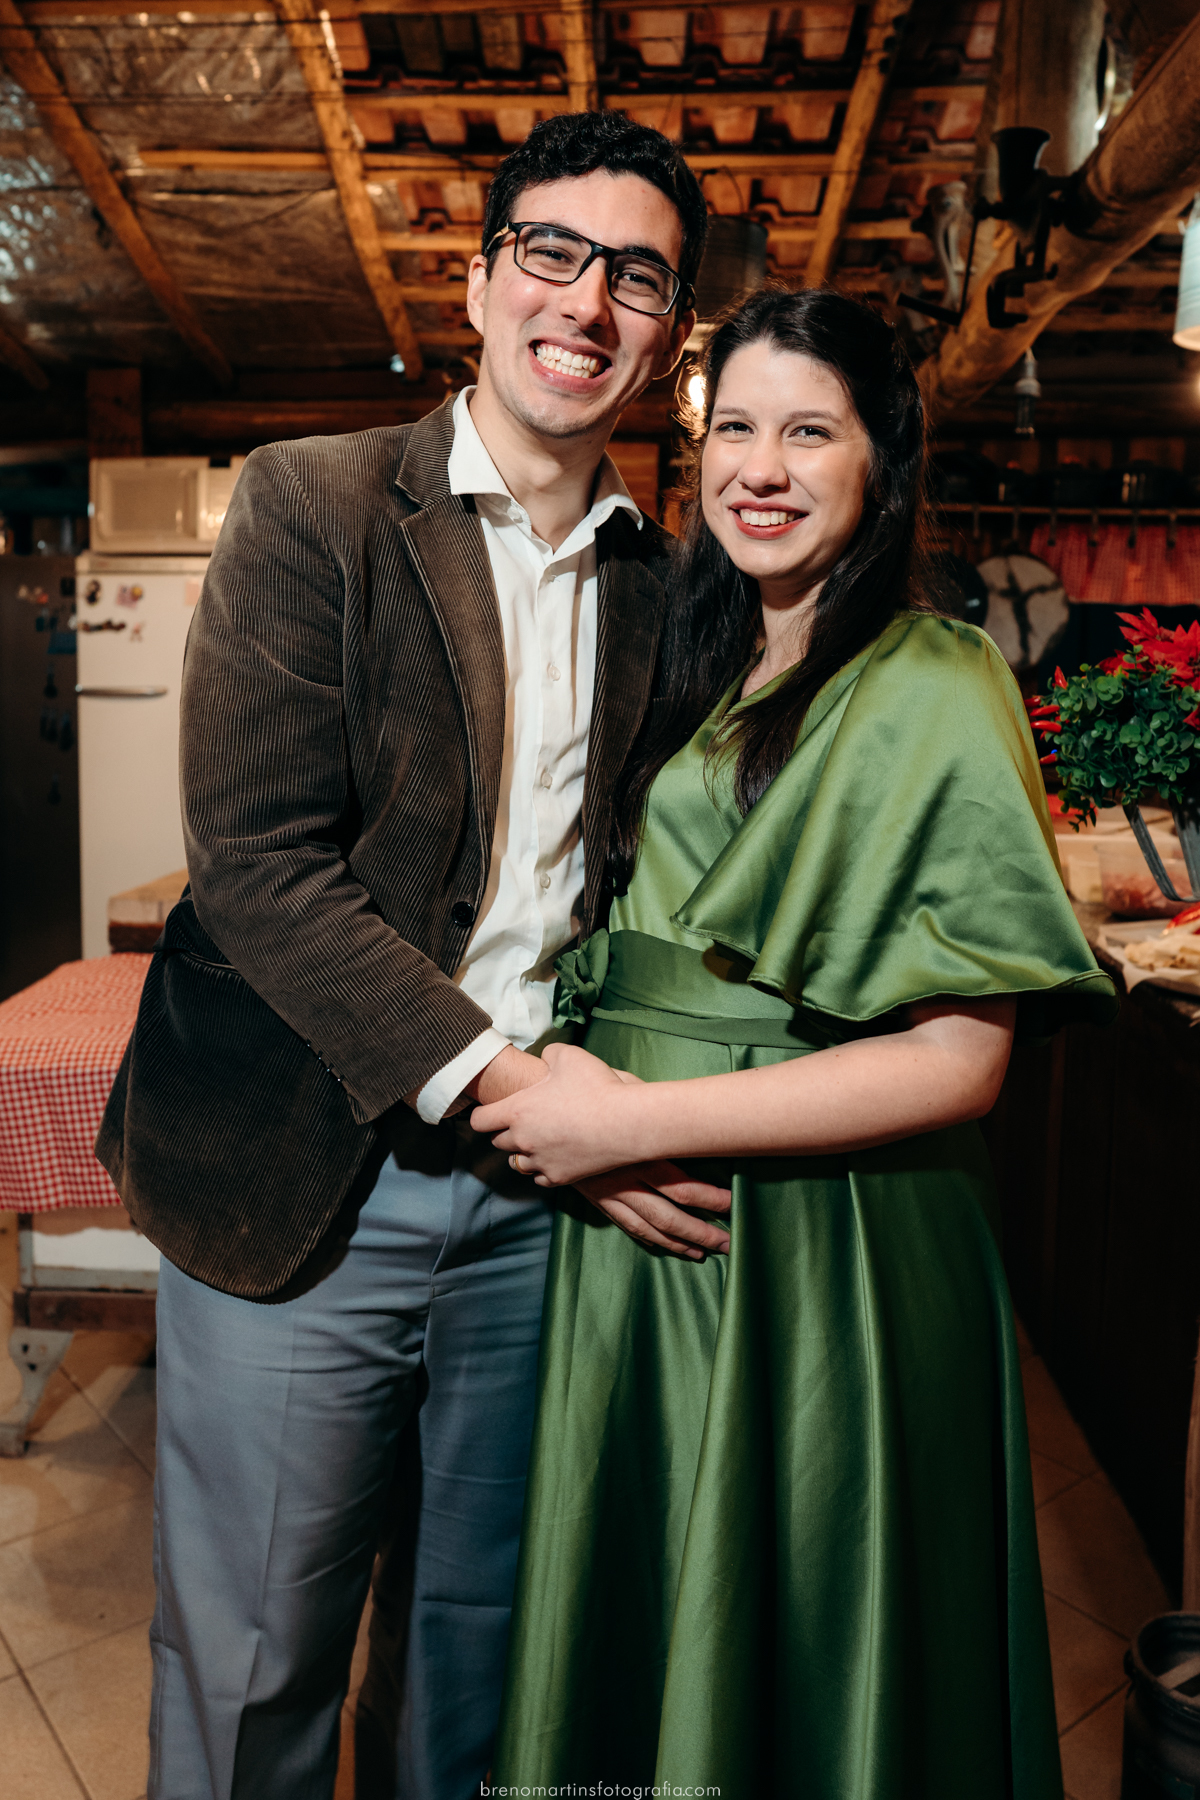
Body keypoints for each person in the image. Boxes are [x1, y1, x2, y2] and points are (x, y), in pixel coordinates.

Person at [95, 111, 726, 1800]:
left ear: (670, 335)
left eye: (639, 277)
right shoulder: (316, 505)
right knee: (255, 1668)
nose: (589, 300)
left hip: (543, 1217)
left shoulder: (674, 587)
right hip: (317, 1175)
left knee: (482, 1661)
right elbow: (259, 866)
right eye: (555, 252)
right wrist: (519, 1087)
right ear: (481, 278)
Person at [476, 287, 1119, 1798]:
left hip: (821, 1246)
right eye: (735, 430)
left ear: (880, 465)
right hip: (637, 1238)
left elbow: (964, 1059)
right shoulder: (691, 659)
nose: (759, 467)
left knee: (816, 1642)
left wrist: (625, 1128)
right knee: (656, 1634)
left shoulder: (934, 678)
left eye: (809, 431)